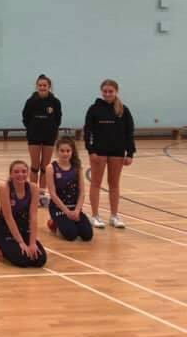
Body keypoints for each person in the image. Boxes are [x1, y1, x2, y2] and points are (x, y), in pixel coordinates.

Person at [84, 79, 135, 229]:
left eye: (110, 91)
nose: (107, 94)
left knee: (114, 185)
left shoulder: (123, 110)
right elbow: (88, 131)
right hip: (98, 153)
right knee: (96, 184)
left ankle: (114, 216)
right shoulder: (94, 109)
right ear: (101, 92)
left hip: (117, 152)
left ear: (116, 92)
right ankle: (95, 216)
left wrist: (130, 153)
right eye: (105, 91)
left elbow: (129, 133)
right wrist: (91, 150)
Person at [0, 160, 47, 268]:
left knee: (40, 260)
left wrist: (32, 243)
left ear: (28, 173)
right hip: (6, 231)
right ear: (11, 174)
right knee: (23, 260)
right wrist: (21, 242)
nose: (20, 174)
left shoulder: (33, 188)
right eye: (16, 172)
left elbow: (33, 216)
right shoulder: (5, 188)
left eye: (24, 171)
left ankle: (16, 247)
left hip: (24, 229)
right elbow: (8, 217)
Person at [45, 137, 93, 242]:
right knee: (71, 235)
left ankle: (72, 222)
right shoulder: (51, 168)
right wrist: (67, 212)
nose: (65, 153)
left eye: (68, 151)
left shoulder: (77, 167)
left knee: (87, 236)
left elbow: (82, 192)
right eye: (62, 151)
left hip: (74, 208)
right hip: (59, 209)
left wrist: (76, 210)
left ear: (72, 152)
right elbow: (52, 194)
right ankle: (54, 223)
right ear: (57, 151)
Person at [22, 74, 62, 191]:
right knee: (35, 167)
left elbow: (58, 119)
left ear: (49, 86)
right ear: (37, 86)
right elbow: (26, 118)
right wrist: (32, 128)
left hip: (49, 136)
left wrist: (52, 128)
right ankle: (33, 193)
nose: (42, 87)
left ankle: (42, 194)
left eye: (45, 85)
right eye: (40, 85)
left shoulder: (55, 102)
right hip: (34, 136)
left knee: (45, 167)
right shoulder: (31, 101)